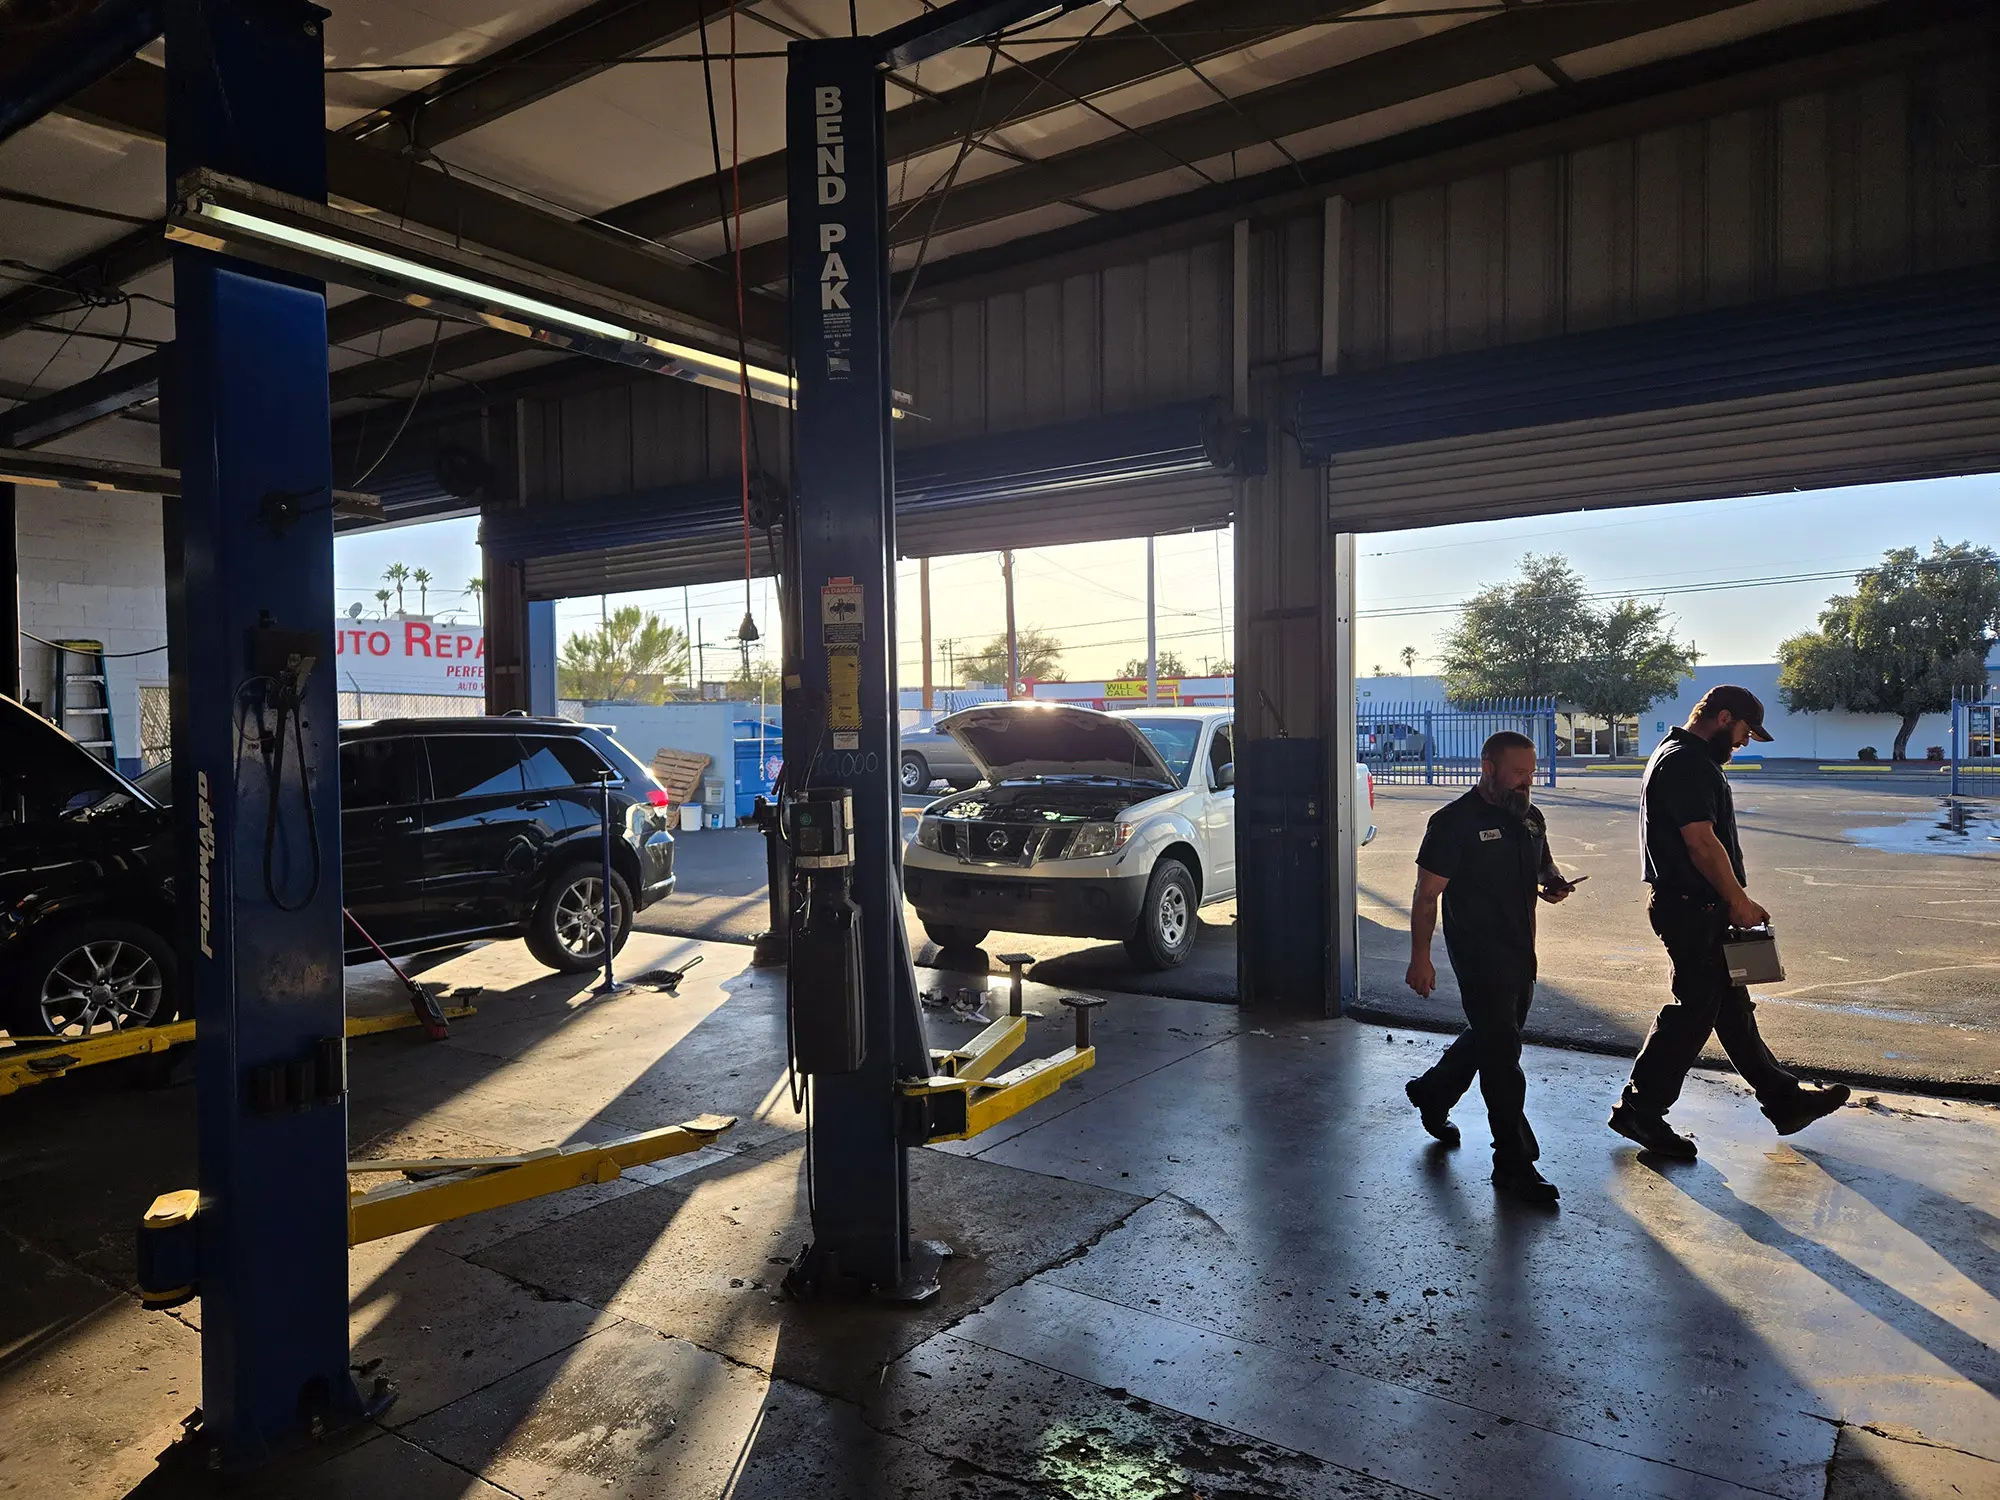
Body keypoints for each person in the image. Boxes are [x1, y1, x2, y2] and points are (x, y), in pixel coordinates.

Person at [1608, 685, 1848, 1158]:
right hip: (1691, 907)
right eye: (1743, 732)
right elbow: (1699, 841)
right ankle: (1640, 1109)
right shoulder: (1687, 762)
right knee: (1695, 1008)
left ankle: (1784, 1101)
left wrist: (1733, 900)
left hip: (1698, 905)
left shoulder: (1683, 756)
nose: (1743, 742)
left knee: (1731, 1009)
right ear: (1722, 717)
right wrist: (1737, 899)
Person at [1404, 730, 1578, 1206]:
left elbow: (1544, 868)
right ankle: (1514, 1164)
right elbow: (1426, 896)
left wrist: (1554, 883)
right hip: (1478, 956)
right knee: (1503, 1058)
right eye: (1519, 772)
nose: (1529, 781)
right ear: (1488, 768)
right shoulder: (1453, 823)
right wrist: (1421, 957)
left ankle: (1432, 1092)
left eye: (1532, 771)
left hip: (1523, 950)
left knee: (1491, 1037)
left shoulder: (1530, 818)